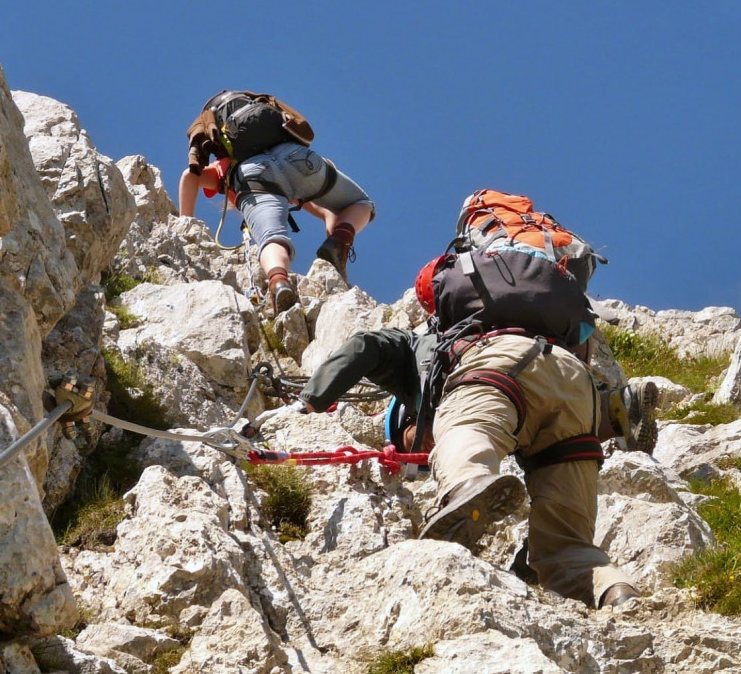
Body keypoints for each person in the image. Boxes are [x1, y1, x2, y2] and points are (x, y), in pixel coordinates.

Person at [289, 273, 643, 609]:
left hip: (497, 364)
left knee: (465, 431)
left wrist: (309, 403)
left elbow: (363, 344)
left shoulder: (420, 347)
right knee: (567, 543)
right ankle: (615, 590)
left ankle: (465, 484)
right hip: (573, 383)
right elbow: (547, 413)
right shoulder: (525, 320)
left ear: (407, 418)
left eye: (412, 445)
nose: (421, 453)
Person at [179, 92, 375, 311]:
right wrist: (337, 242)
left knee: (272, 239)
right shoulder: (286, 185)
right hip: (297, 157)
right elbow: (328, 212)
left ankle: (279, 282)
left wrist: (185, 225)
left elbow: (190, 176)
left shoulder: (225, 165)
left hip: (252, 176)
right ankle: (340, 242)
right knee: (360, 203)